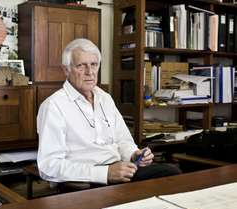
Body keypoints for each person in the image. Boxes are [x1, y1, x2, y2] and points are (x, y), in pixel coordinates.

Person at [37, 38, 180, 186]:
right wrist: (105, 173)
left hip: (120, 170)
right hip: (87, 180)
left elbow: (123, 140)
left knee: (171, 173)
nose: (90, 72)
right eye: (81, 66)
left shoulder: (105, 98)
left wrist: (134, 154)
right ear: (66, 69)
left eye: (94, 64)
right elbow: (49, 167)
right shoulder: (53, 106)